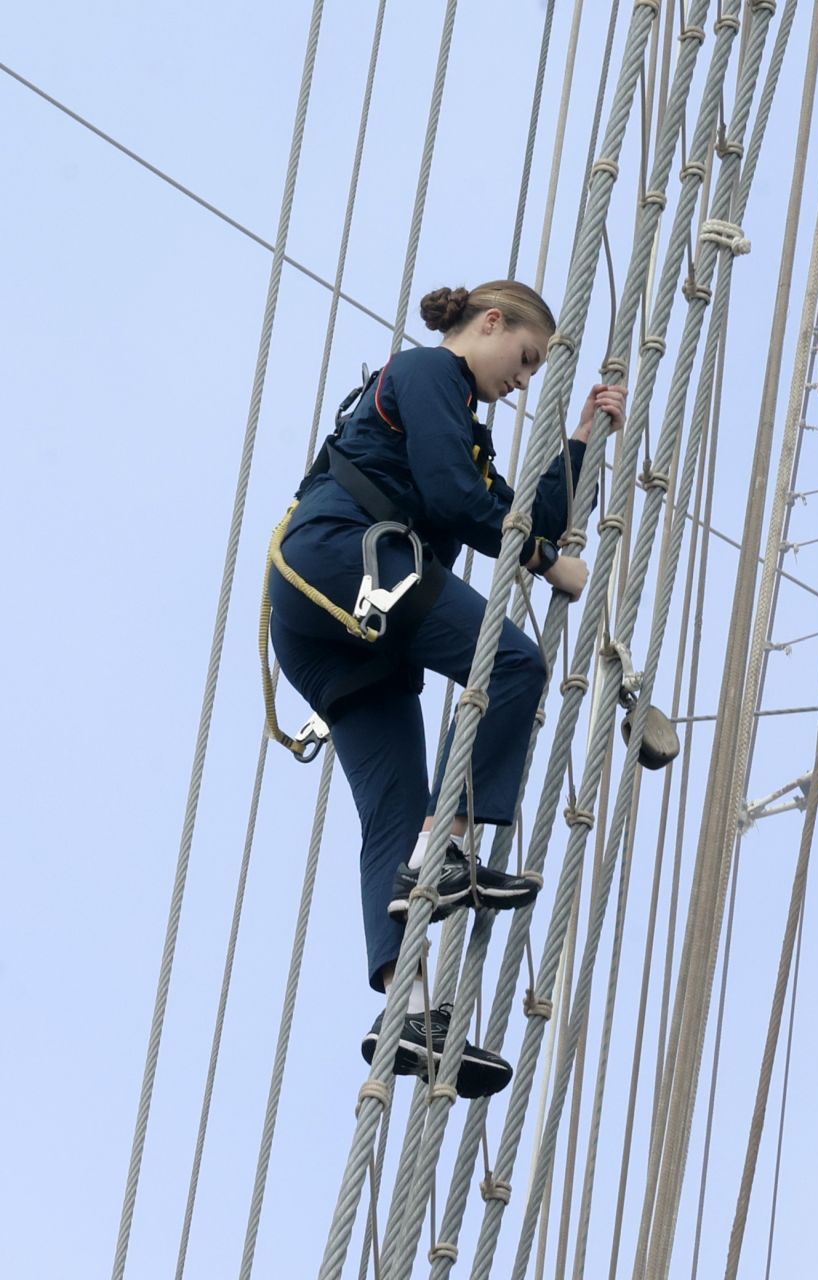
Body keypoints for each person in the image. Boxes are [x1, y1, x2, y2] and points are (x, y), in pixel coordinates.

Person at [268, 281, 627, 1097]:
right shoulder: (430, 374)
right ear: (490, 324)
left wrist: (582, 445)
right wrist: (543, 562)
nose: (524, 379)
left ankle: (408, 1012)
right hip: (342, 558)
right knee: (513, 665)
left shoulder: (462, 428)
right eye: (526, 358)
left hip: (334, 620)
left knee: (393, 811)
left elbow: (514, 513)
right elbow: (453, 500)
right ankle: (454, 845)